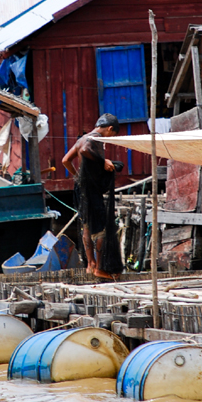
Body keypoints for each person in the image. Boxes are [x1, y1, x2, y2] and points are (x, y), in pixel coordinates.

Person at [62, 113, 123, 280]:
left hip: (81, 188)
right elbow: (85, 150)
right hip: (91, 190)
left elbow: (65, 160)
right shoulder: (94, 138)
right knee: (102, 228)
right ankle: (99, 267)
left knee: (87, 227)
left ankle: (91, 265)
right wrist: (103, 161)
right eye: (113, 134)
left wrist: (77, 176)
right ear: (110, 129)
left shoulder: (82, 138)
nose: (111, 138)